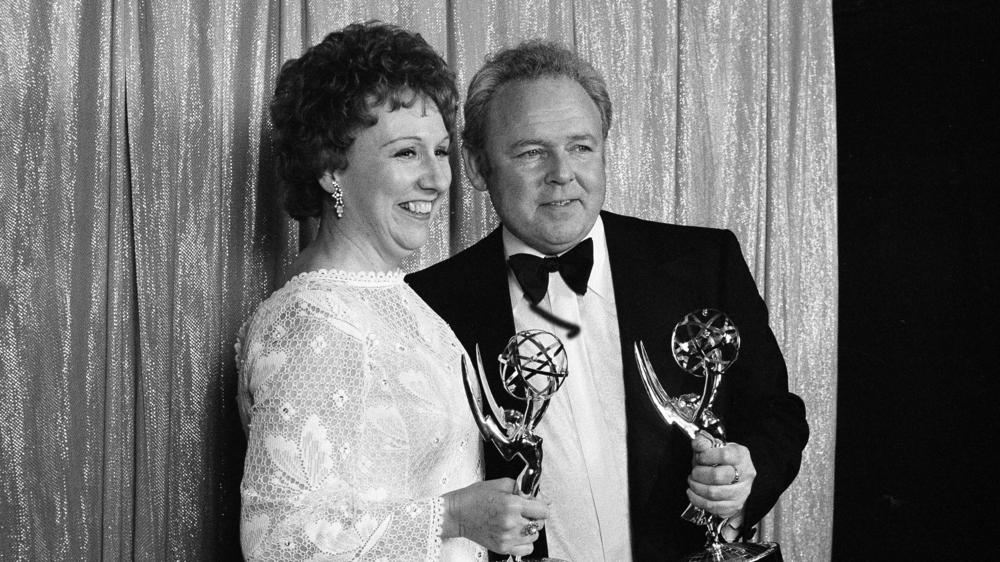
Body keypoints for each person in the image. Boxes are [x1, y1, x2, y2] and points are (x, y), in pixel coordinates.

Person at [406, 40, 809, 562]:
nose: (561, 173)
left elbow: (778, 414)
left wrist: (745, 475)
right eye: (531, 152)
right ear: (479, 167)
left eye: (581, 146)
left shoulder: (704, 261)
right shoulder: (427, 305)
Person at [235, 22, 549, 561]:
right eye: (406, 153)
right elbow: (276, 540)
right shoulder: (313, 319)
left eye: (442, 151)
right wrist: (453, 515)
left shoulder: (398, 300)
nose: (437, 179)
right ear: (332, 168)